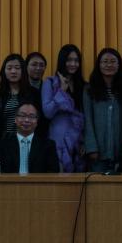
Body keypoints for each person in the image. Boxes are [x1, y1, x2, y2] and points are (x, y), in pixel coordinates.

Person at [42, 44, 86, 172]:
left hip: (78, 145)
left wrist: (84, 142)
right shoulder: (50, 83)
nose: (73, 64)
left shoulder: (83, 85)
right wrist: (61, 91)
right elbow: (47, 112)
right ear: (62, 61)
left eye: (76, 60)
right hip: (58, 145)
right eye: (69, 60)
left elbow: (86, 116)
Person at [83, 48, 122, 173]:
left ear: (119, 65)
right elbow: (87, 119)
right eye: (105, 61)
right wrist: (91, 148)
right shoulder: (89, 89)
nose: (109, 65)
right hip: (97, 153)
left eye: (113, 61)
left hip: (120, 150)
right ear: (99, 65)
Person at [0, 103, 59, 174]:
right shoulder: (2, 145)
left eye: (32, 116)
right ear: (15, 119)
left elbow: (54, 172)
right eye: (22, 115)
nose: (27, 120)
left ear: (37, 121)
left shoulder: (48, 145)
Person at [0, 54, 37, 148]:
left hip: (28, 142)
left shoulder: (33, 93)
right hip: (4, 144)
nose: (13, 71)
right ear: (4, 71)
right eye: (9, 68)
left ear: (23, 70)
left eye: (17, 68)